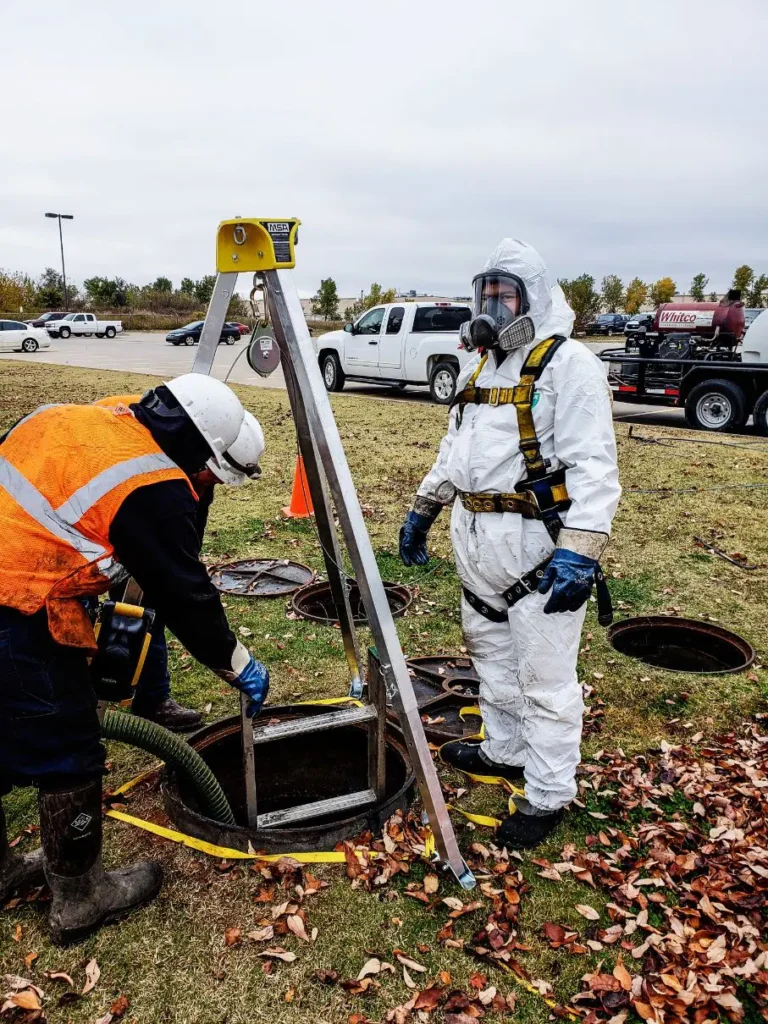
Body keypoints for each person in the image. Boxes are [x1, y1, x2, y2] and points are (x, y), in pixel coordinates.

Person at [0, 375, 270, 944]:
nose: (204, 485)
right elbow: (184, 592)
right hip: (16, 601)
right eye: (209, 474)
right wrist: (235, 660)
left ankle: (2, 873)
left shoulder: (114, 417)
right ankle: (80, 898)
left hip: (11, 567)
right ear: (198, 449)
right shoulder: (150, 485)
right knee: (69, 749)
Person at [400, 239, 621, 848]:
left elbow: (595, 467)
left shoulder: (569, 365)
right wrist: (425, 504)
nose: (493, 308)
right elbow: (458, 448)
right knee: (492, 658)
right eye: (487, 295)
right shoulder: (481, 366)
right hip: (478, 546)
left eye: (505, 296)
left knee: (546, 681)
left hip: (540, 552)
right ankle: (505, 750)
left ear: (534, 297)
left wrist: (581, 549)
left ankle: (550, 792)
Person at [93, 395, 266, 732]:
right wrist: (234, 660)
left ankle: (151, 699)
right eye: (211, 476)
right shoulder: (154, 471)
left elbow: (179, 560)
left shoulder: (188, 437)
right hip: (50, 543)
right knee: (71, 631)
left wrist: (179, 566)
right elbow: (179, 586)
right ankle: (78, 714)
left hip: (103, 515)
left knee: (151, 604)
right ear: (206, 453)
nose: (211, 484)